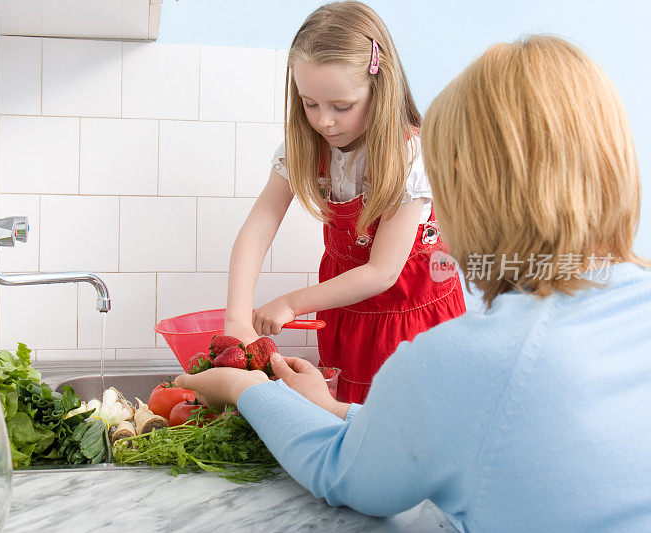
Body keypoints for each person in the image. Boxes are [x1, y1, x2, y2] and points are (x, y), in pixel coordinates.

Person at [178, 35, 651, 531]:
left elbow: (343, 472)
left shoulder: (458, 362)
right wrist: (330, 406)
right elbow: (443, 429)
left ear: (467, 196)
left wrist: (245, 387)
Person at [224, 1, 465, 403]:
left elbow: (382, 273)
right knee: (345, 424)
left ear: (379, 87)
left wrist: (290, 303)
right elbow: (259, 226)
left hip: (411, 322)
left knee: (407, 424)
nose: (323, 121)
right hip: (345, 317)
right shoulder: (304, 146)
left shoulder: (409, 156)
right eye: (309, 103)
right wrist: (236, 314)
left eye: (342, 106)